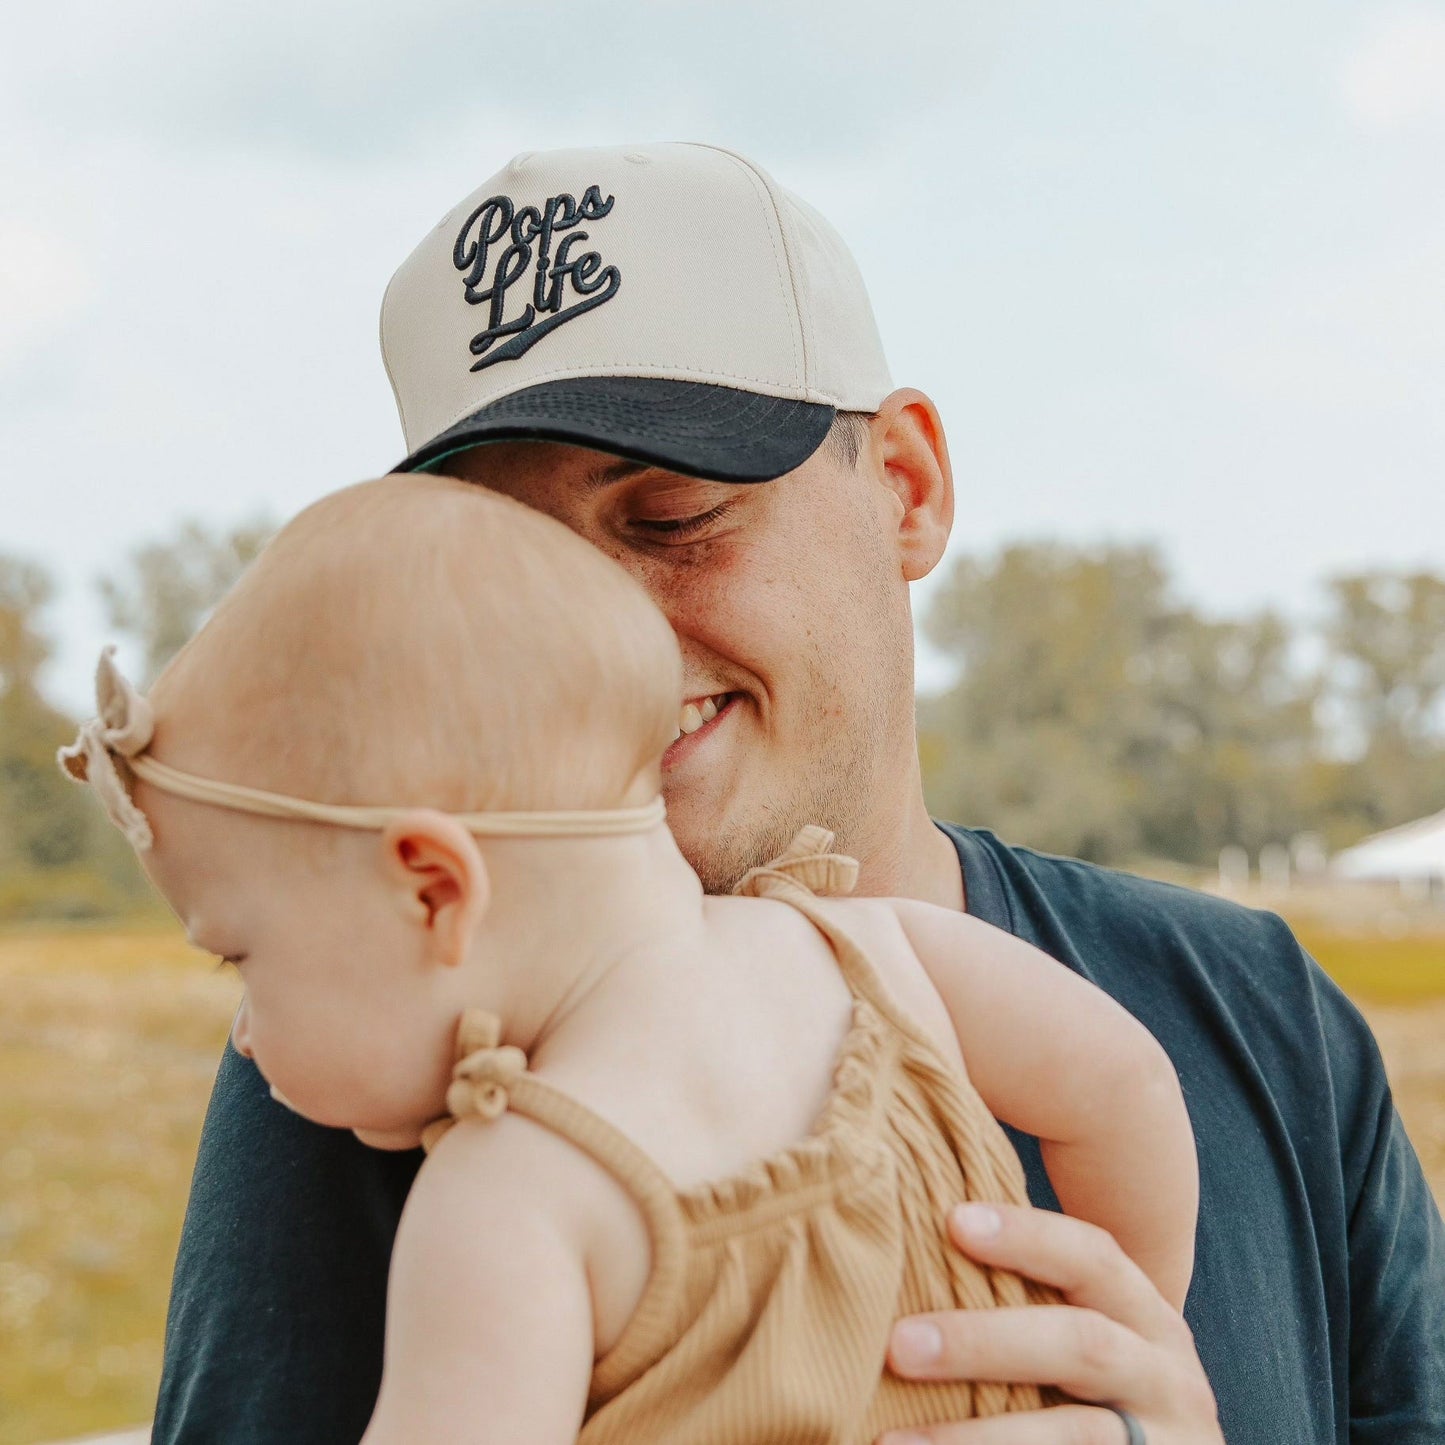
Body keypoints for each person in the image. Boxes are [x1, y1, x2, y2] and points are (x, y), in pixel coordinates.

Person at [150, 144, 1445, 1444]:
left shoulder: (1261, 1018)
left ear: (907, 490)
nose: (614, 646)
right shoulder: (372, 1063)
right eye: (522, 578)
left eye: (670, 521)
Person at [64, 474, 1198, 1442]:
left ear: (432, 889)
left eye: (241, 957)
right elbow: (1124, 1082)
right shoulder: (879, 951)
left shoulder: (511, 1200)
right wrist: (1127, 1325)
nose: (246, 1027)